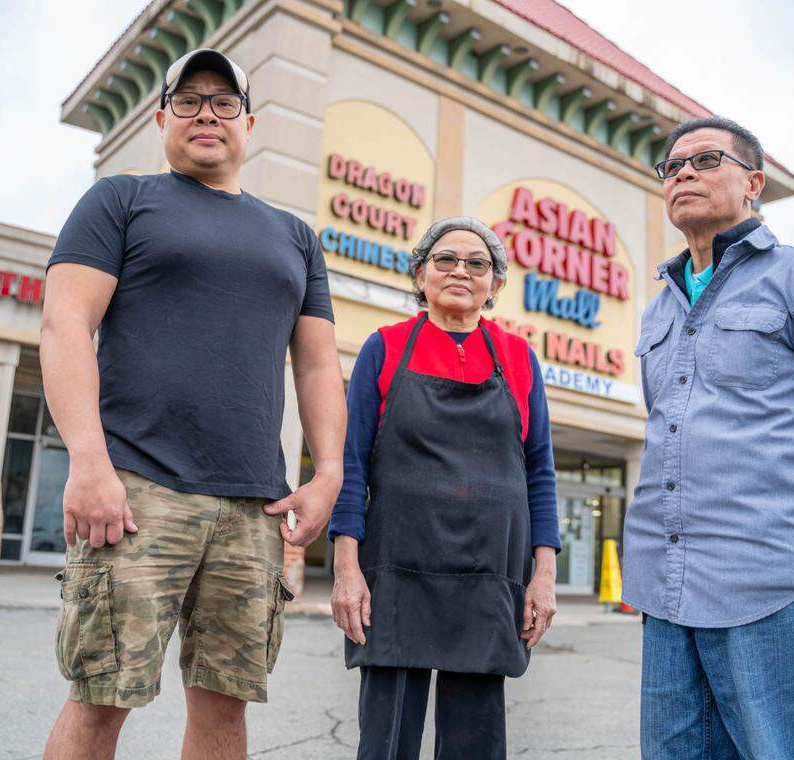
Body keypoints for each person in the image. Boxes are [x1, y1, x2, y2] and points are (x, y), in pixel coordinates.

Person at [40, 48, 346, 760]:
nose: (206, 113)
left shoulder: (296, 237)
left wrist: (329, 469)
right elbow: (65, 326)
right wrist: (89, 461)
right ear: (161, 117)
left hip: (252, 508)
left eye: (224, 101)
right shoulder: (121, 200)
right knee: (99, 699)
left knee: (226, 710)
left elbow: (319, 362)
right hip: (137, 493)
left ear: (249, 122)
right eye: (188, 100)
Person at [624, 116, 794, 759]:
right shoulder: (660, 306)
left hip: (766, 577)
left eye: (705, 160)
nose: (683, 173)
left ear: (753, 184)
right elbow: (666, 419)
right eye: (672, 167)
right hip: (664, 582)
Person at [328, 217, 560, 760]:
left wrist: (543, 576)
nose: (461, 270)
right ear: (420, 273)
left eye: (477, 263)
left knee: (475, 743)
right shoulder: (384, 347)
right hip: (396, 570)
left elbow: (540, 472)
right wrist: (346, 569)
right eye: (446, 260)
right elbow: (350, 463)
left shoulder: (520, 359)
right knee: (386, 740)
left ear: (495, 284)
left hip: (489, 573)